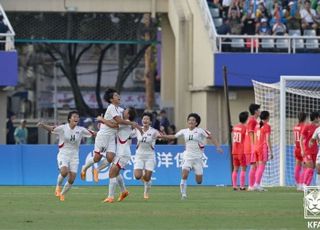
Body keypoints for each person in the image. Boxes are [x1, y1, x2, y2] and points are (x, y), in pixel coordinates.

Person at [80, 88, 140, 183]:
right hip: (104, 136)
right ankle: (84, 168)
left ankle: (97, 170)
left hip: (112, 137)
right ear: (111, 100)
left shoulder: (120, 109)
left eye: (118, 95)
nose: (118, 96)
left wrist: (103, 120)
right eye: (116, 95)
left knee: (111, 157)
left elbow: (119, 122)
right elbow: (119, 122)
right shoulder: (111, 107)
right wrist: (131, 123)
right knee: (97, 158)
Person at [162, 113, 223, 200]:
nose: (191, 121)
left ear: (196, 123)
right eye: (189, 120)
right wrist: (163, 136)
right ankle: (183, 195)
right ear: (187, 121)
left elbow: (211, 137)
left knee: (199, 181)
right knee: (184, 175)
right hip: (187, 156)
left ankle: (196, 172)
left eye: (193, 120)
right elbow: (174, 136)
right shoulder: (184, 131)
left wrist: (218, 147)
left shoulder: (200, 131)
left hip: (198, 158)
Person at [37, 111, 95, 201]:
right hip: (63, 153)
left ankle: (62, 194)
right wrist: (43, 125)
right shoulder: (63, 128)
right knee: (64, 172)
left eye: (78, 117)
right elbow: (52, 129)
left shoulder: (81, 130)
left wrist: (106, 133)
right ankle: (58, 186)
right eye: (74, 117)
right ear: (69, 119)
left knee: (72, 179)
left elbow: (93, 133)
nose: (76, 118)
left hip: (74, 156)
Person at [103, 107, 137, 203]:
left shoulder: (125, 122)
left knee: (111, 173)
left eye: (125, 110)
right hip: (121, 152)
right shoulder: (126, 123)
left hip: (123, 153)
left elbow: (113, 124)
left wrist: (102, 120)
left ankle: (110, 197)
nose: (123, 111)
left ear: (128, 115)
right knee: (116, 173)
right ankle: (124, 191)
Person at [133, 112, 162, 200]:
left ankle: (146, 192)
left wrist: (161, 136)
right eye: (144, 119)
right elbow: (128, 134)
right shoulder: (137, 130)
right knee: (138, 176)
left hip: (150, 156)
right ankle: (145, 179)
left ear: (150, 122)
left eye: (147, 119)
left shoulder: (154, 131)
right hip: (139, 155)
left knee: (147, 178)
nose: (145, 120)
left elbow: (160, 137)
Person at [253, 111, 273, 191]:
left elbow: (255, 137)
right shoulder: (267, 126)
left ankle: (257, 184)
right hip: (262, 148)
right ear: (267, 117)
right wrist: (271, 152)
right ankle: (257, 184)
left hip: (256, 147)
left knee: (258, 167)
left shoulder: (257, 125)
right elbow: (267, 139)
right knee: (261, 167)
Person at [301, 111, 320, 187]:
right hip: (307, 150)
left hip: (315, 151)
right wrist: (302, 150)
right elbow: (301, 139)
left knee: (313, 169)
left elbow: (316, 139)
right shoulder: (307, 126)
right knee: (310, 168)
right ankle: (304, 184)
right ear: (315, 118)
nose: (319, 118)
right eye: (318, 117)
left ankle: (307, 186)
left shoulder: (317, 128)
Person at [231, 111, 249, 191]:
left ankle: (234, 185)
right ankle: (242, 186)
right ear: (246, 119)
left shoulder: (235, 127)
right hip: (242, 151)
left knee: (235, 169)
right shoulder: (245, 128)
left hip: (234, 151)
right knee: (243, 169)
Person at [245, 103, 261, 191]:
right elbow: (251, 133)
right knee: (254, 165)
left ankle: (254, 185)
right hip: (252, 146)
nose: (260, 111)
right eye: (259, 110)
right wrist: (254, 146)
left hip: (253, 146)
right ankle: (252, 185)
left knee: (255, 166)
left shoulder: (253, 120)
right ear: (255, 111)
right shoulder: (252, 121)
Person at [293, 112, 307, 191]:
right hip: (303, 148)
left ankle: (298, 183)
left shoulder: (295, 127)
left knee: (297, 166)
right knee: (304, 167)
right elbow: (304, 139)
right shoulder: (304, 127)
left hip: (296, 148)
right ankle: (301, 184)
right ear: (305, 118)